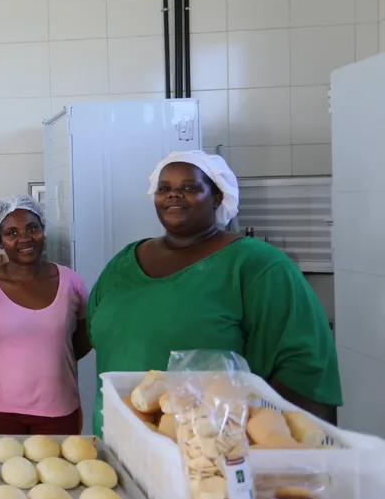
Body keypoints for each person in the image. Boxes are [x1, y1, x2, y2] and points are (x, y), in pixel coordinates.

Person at [87, 150, 342, 435]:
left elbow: (305, 365)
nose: (173, 195)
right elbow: (99, 332)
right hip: (114, 443)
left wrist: (278, 449)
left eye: (190, 187)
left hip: (207, 453)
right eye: (165, 188)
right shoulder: (124, 262)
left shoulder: (257, 264)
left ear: (217, 197)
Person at [0, 195, 91, 435]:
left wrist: (53, 357)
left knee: (58, 471)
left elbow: (85, 337)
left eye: (32, 228)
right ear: (0, 240)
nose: (25, 238)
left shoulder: (71, 282)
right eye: (12, 233)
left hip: (58, 407)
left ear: (43, 231)